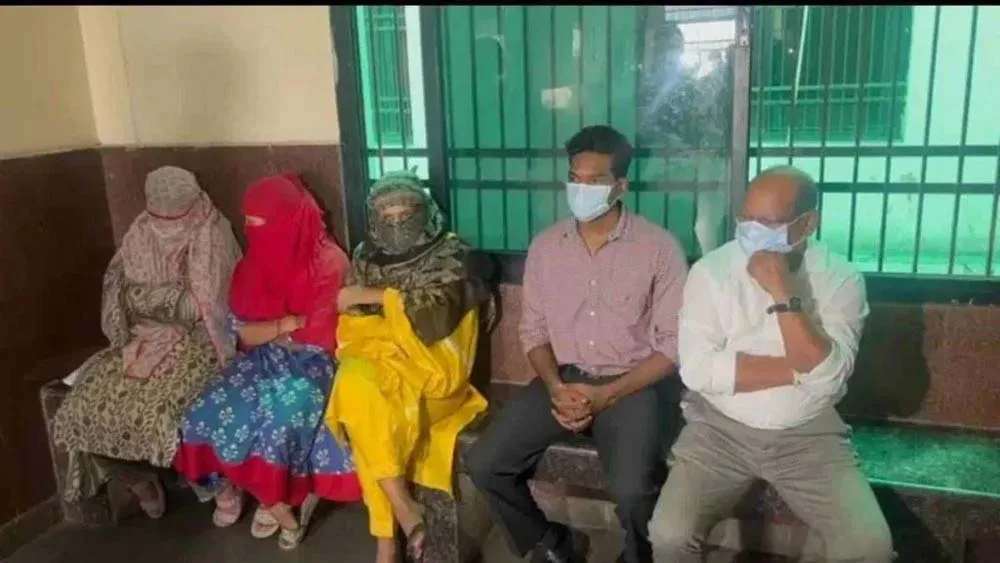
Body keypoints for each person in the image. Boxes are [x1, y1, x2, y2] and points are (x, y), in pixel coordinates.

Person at [648, 166, 894, 562]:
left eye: (768, 223)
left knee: (870, 548)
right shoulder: (711, 271)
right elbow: (697, 370)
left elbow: (829, 382)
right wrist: (802, 368)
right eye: (745, 219)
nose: (751, 231)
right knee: (669, 534)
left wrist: (783, 294)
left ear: (808, 223)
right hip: (718, 431)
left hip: (809, 434)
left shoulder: (841, 279)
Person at [466, 125, 689, 563]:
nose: (580, 189)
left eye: (594, 181)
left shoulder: (659, 249)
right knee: (485, 464)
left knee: (633, 491)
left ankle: (637, 556)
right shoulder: (547, 247)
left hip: (631, 384)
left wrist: (608, 394)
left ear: (620, 186)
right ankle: (552, 543)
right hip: (563, 379)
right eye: (574, 178)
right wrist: (554, 387)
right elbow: (533, 333)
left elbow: (672, 346)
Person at [173, 174, 362, 550]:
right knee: (201, 415)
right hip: (261, 359)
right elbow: (242, 332)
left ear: (291, 220)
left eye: (265, 225)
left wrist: (271, 330)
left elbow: (318, 335)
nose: (256, 235)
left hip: (314, 365)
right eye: (250, 225)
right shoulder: (252, 265)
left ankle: (279, 500)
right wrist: (282, 326)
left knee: (278, 424)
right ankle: (243, 492)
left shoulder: (329, 262)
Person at [51, 166, 242, 517]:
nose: (165, 221)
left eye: (174, 212)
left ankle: (218, 486)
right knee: (85, 407)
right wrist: (166, 302)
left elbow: (208, 305)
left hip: (202, 340)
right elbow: (119, 294)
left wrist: (152, 301)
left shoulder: (212, 231)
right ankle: (140, 481)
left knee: (168, 413)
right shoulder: (140, 231)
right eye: (158, 211)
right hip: (142, 338)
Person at [324, 169, 493, 563]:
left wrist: (375, 297)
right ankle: (402, 510)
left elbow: (435, 319)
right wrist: (384, 313)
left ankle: (386, 541)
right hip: (381, 363)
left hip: (435, 376)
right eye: (387, 217)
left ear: (425, 210)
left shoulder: (453, 255)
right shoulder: (366, 256)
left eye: (406, 213)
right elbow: (353, 326)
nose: (397, 223)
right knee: (355, 388)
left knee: (365, 415)